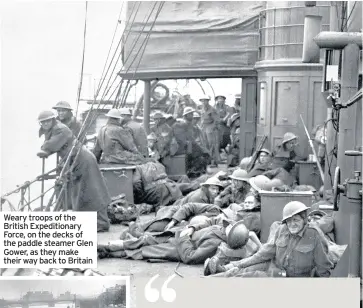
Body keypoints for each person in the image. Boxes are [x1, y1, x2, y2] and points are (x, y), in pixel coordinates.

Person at [37, 110, 110, 232]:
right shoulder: (54, 129)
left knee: (93, 191)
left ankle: (102, 223)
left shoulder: (60, 129)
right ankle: (92, 221)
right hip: (76, 161)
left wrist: (45, 149)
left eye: (47, 121)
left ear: (53, 120)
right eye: (42, 122)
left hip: (83, 161)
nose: (45, 124)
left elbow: (52, 144)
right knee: (81, 193)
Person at [219, 201, 333, 277]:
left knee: (248, 278)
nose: (292, 224)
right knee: (238, 272)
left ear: (304, 220)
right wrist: (236, 264)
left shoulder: (314, 235)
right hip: (274, 269)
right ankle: (217, 273)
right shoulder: (282, 229)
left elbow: (323, 268)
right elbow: (263, 254)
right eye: (289, 220)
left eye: (296, 220)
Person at [98, 216, 254, 265]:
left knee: (143, 251)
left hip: (179, 248)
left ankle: (108, 253)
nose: (227, 226)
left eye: (231, 228)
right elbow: (211, 221)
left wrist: (185, 238)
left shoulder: (214, 244)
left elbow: (190, 257)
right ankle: (107, 246)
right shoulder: (223, 226)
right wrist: (192, 227)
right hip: (180, 234)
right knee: (146, 239)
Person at [173, 107, 211, 178]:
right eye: (190, 114)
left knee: (205, 153)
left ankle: (197, 170)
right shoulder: (181, 124)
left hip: (190, 145)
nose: (192, 115)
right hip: (182, 147)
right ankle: (193, 171)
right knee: (199, 153)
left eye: (192, 114)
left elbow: (192, 138)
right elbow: (181, 139)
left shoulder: (191, 125)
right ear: (185, 115)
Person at [200, 95, 220, 167]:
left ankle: (213, 161)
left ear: (208, 101)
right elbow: (202, 119)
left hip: (210, 127)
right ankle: (208, 160)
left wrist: (212, 127)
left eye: (205, 100)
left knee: (212, 144)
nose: (203, 102)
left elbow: (217, 120)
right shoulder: (202, 109)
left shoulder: (212, 109)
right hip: (204, 127)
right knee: (205, 144)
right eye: (202, 100)